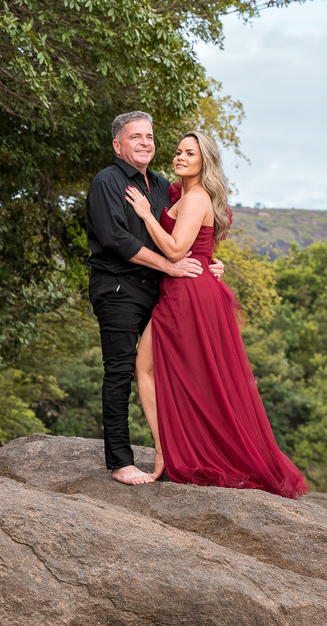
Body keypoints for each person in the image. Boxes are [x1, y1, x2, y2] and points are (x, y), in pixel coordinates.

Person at [123, 130, 309, 498]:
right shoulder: (182, 194)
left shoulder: (196, 197)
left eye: (189, 153)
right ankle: (169, 452)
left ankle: (166, 456)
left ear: (204, 161)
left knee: (153, 369)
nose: (179, 157)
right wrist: (210, 262)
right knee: (190, 375)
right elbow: (199, 245)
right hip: (189, 289)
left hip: (188, 294)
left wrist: (145, 214)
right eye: (177, 152)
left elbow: (176, 250)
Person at [86, 112, 224, 485]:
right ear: (119, 145)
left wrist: (208, 261)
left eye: (149, 136)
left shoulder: (164, 185)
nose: (145, 142)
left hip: (159, 289)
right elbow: (117, 240)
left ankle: (180, 451)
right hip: (118, 287)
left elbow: (189, 229)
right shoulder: (107, 182)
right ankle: (120, 461)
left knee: (169, 368)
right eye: (135, 137)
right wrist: (173, 265)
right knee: (120, 369)